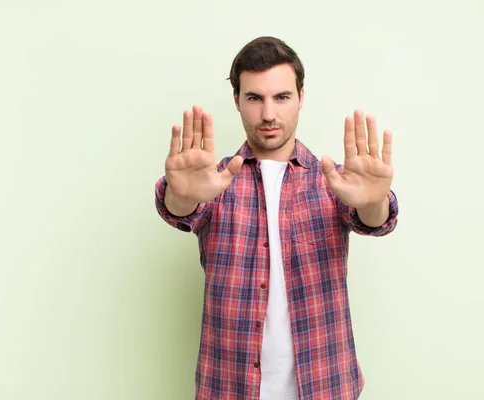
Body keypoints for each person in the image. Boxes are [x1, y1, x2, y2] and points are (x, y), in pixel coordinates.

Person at [154, 36, 399, 400]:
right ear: (237, 100)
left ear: (301, 97)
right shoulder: (214, 181)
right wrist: (181, 195)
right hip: (230, 386)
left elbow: (374, 218)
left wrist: (374, 200)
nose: (268, 114)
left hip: (324, 384)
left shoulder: (333, 179)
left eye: (281, 97)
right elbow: (179, 207)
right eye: (254, 98)